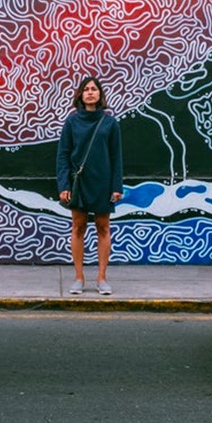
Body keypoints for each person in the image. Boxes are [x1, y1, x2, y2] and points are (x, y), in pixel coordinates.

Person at [56, 76, 123, 295]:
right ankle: (78, 278)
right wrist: (64, 184)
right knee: (78, 227)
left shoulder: (109, 123)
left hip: (103, 181)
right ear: (80, 95)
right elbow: (63, 155)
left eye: (94, 89)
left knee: (103, 227)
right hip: (79, 182)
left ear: (100, 95)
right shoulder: (72, 121)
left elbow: (116, 156)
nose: (91, 92)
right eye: (86, 89)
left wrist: (117, 186)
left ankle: (102, 278)